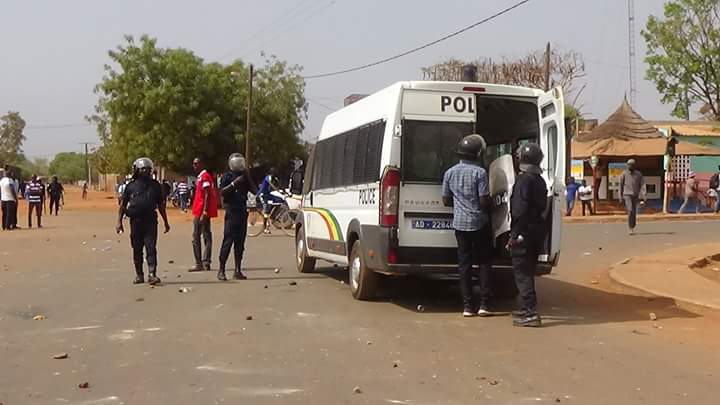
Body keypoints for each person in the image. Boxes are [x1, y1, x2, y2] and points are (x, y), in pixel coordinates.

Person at [441, 134, 493, 317]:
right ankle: (484, 305)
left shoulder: (449, 173)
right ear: (478, 154)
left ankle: (467, 306)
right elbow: (484, 200)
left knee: (464, 265)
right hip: (479, 224)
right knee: (484, 262)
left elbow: (446, 200)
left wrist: (460, 203)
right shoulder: (480, 173)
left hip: (460, 225)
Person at [508, 143, 548, 327]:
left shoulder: (524, 180)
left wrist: (514, 235)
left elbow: (519, 210)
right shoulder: (539, 180)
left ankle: (530, 312)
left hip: (524, 231)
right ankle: (525, 308)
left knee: (522, 274)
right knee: (528, 271)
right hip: (537, 230)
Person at [116, 158, 170, 285]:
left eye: (147, 169)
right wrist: (119, 222)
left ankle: (152, 274)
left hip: (150, 221)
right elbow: (123, 206)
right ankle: (139, 275)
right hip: (135, 221)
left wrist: (166, 222)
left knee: (151, 247)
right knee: (137, 248)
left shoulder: (155, 185)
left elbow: (161, 205)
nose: (145, 171)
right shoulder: (131, 186)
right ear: (137, 170)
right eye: (142, 169)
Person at [217, 153, 257, 281]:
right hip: (231, 212)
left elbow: (255, 190)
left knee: (240, 243)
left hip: (242, 211)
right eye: (237, 163)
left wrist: (247, 177)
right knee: (228, 241)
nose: (239, 165)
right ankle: (221, 270)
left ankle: (237, 270)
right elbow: (222, 192)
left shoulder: (244, 176)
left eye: (241, 163)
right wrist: (234, 184)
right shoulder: (227, 176)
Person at [189, 157, 218, 272]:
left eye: (196, 164)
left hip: (201, 211)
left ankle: (200, 263)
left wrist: (205, 211)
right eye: (193, 164)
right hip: (200, 210)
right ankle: (206, 262)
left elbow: (207, 194)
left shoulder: (204, 176)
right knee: (206, 235)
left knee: (197, 236)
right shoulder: (201, 176)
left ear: (201, 164)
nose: (194, 166)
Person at [619, 159, 645, 235]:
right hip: (627, 195)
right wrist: (620, 196)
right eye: (628, 164)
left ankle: (633, 225)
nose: (629, 166)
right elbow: (620, 185)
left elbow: (642, 184)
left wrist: (643, 195)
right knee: (630, 210)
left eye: (631, 165)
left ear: (634, 166)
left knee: (634, 211)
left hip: (635, 195)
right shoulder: (623, 174)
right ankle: (630, 227)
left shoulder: (638, 174)